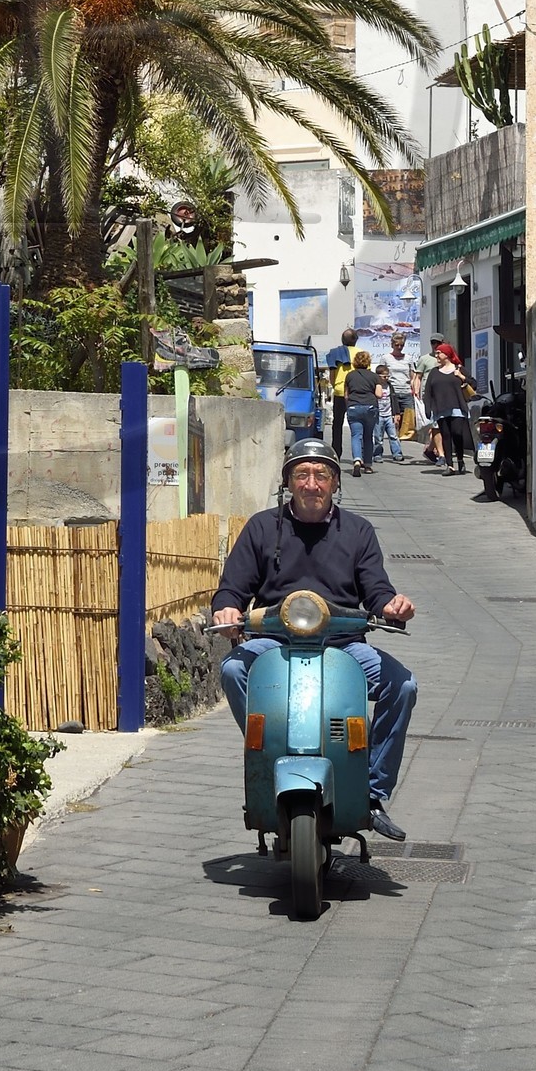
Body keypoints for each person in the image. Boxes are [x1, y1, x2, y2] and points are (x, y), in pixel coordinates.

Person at [213, 434, 419, 839]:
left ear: (335, 482)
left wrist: (393, 606)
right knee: (234, 670)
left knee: (403, 685)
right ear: (288, 482)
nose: (311, 484)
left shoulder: (358, 531)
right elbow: (232, 587)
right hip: (275, 643)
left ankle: (372, 791)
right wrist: (227, 608)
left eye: (321, 475)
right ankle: (268, 751)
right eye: (302, 475)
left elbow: (376, 590)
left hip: (344, 644)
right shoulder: (262, 527)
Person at [424, 346, 474, 475]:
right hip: (440, 408)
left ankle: (460, 460)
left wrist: (461, 376)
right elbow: (428, 391)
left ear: (446, 354)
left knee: (457, 433)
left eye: (439, 353)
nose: (436, 356)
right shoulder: (434, 372)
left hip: (458, 407)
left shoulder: (459, 369)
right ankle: (450, 465)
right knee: (445, 436)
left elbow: (474, 384)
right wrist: (428, 408)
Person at [343, 348, 380, 478]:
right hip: (370, 407)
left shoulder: (349, 376)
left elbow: (346, 395)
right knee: (368, 437)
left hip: (354, 407)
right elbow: (379, 394)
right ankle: (368, 465)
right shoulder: (374, 376)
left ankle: (357, 460)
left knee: (356, 436)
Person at [324, 327, 356, 461]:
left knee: (337, 423)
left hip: (339, 391)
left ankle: (336, 451)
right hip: (356, 392)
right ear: (356, 340)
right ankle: (358, 454)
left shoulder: (335, 353)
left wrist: (334, 385)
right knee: (357, 424)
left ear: (342, 340)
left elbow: (332, 374)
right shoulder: (361, 353)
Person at [385, 338, 415, 457]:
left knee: (407, 420)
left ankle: (399, 442)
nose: (399, 347)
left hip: (406, 392)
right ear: (392, 344)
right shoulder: (386, 358)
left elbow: (412, 375)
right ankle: (396, 449)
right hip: (393, 392)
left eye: (401, 345)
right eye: (397, 345)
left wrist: (414, 389)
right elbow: (382, 374)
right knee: (394, 421)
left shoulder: (408, 358)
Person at [374, 361, 404, 461]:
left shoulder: (390, 386)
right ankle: (377, 454)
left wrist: (396, 413)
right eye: (384, 376)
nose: (386, 378)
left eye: (388, 376)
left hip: (389, 415)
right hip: (378, 415)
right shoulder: (375, 386)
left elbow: (394, 400)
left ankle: (397, 453)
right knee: (378, 437)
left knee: (393, 436)